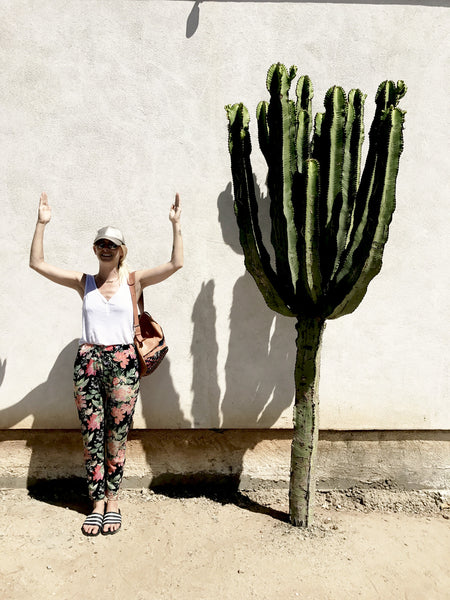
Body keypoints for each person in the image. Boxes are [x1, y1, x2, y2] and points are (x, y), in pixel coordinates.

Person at [29, 192, 183, 536]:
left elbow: (176, 265)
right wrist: (41, 224)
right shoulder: (83, 282)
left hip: (124, 361)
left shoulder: (134, 281)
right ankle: (96, 503)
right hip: (88, 361)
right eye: (100, 242)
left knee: (118, 433)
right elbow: (37, 264)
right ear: (95, 248)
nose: (106, 247)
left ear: (121, 249)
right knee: (92, 433)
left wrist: (175, 226)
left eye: (112, 243)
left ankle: (113, 500)